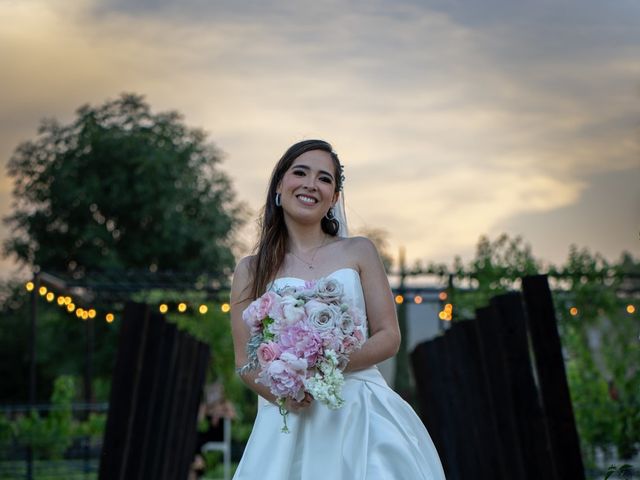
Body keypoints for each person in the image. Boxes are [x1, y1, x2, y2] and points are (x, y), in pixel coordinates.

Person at [230, 139, 446, 479]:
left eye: (324, 178)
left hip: (359, 411)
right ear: (279, 185)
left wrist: (325, 364)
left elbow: (389, 336)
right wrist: (283, 392)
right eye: (300, 172)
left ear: (334, 198)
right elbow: (245, 362)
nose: (311, 184)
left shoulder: (359, 251)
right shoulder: (250, 269)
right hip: (292, 416)